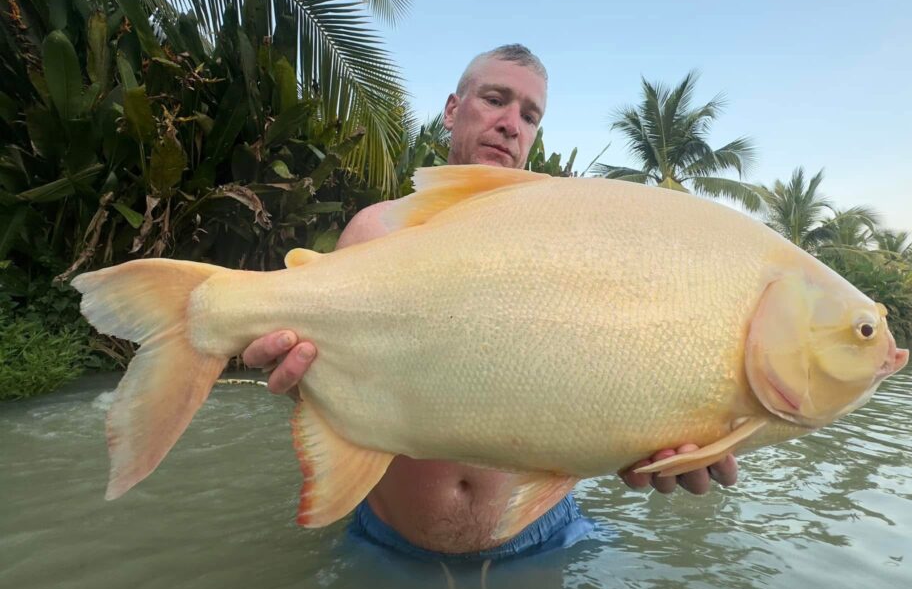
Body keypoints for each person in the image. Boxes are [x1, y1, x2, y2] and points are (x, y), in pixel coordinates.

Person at [242, 44, 739, 560]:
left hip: (546, 536)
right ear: (453, 110)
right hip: (391, 542)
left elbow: (611, 375)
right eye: (495, 100)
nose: (510, 124)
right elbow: (333, 390)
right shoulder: (378, 229)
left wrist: (675, 430)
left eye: (529, 115)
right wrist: (297, 376)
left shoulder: (576, 241)